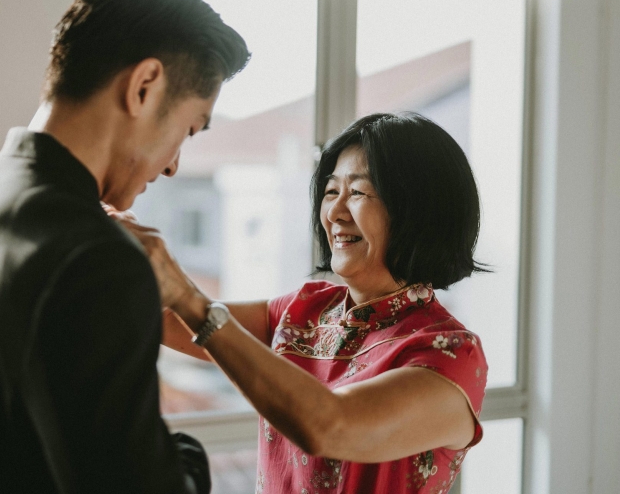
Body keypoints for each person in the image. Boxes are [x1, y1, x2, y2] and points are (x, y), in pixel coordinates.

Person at [0, 0, 249, 493]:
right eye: (190, 129)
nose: (174, 164)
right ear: (145, 86)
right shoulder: (97, 258)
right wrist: (188, 459)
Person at [115, 113, 489, 493]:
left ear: (420, 210)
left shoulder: (450, 353)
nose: (335, 213)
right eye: (331, 192)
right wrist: (97, 230)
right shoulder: (306, 309)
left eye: (357, 193)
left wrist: (187, 295)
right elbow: (164, 319)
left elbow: (329, 425)